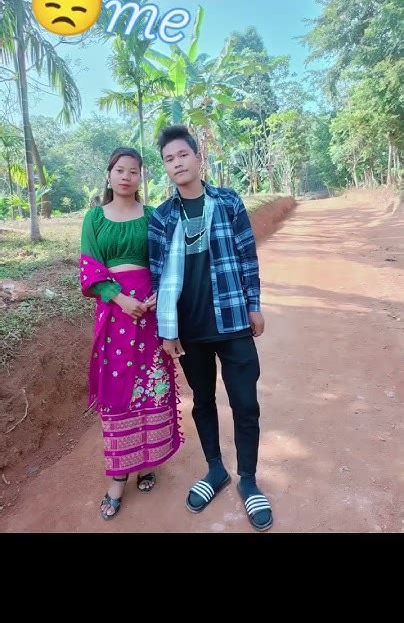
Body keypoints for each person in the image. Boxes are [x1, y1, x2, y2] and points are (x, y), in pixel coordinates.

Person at [148, 125, 272, 531]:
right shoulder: (162, 217)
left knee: (245, 404)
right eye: (169, 159)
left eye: (182, 155)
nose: (177, 163)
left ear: (198, 157)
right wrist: (167, 330)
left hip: (233, 320)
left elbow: (247, 255)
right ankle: (215, 469)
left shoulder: (228, 201)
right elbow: (157, 277)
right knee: (202, 401)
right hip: (190, 330)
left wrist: (254, 305)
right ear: (165, 167)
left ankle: (248, 479)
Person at [80, 146, 183, 521]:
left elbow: (166, 262)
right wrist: (121, 299)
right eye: (120, 170)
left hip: (151, 315)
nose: (126, 176)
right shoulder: (94, 218)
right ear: (109, 174)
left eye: (134, 171)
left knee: (151, 386)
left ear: (142, 177)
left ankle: (148, 462)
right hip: (115, 316)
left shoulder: (153, 216)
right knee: (119, 391)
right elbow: (90, 269)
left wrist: (158, 295)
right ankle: (119, 476)